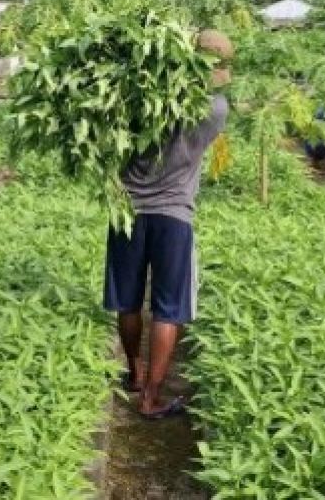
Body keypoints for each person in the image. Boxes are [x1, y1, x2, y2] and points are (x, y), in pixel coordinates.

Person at [103, 30, 232, 420]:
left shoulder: (136, 100)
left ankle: (135, 373)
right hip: (174, 215)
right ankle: (151, 398)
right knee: (168, 309)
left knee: (128, 300)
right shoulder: (215, 109)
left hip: (127, 211)